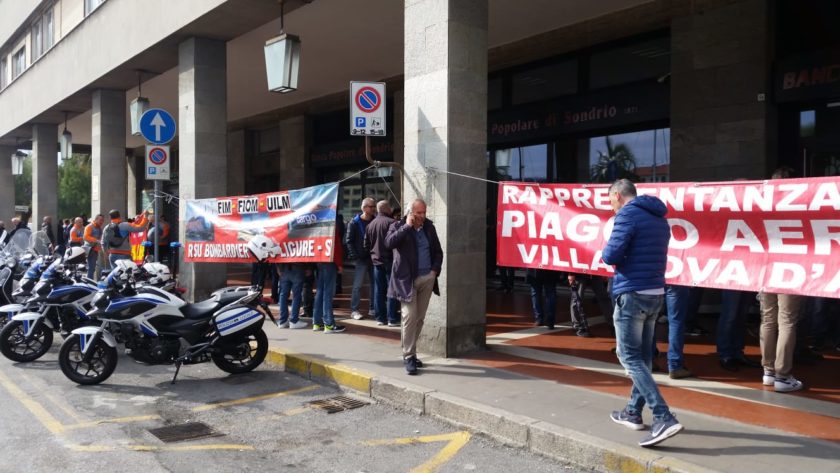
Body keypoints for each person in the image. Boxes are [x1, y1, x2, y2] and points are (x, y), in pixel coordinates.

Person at [602, 179, 682, 447]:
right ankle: (633, 412)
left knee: (629, 356)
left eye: (610, 200)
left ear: (617, 195)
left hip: (632, 291)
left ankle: (662, 415)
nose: (611, 206)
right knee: (644, 356)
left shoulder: (627, 215)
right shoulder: (659, 217)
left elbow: (611, 255)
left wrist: (606, 251)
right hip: (655, 291)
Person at [759, 166, 804, 393]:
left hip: (766, 268)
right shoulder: (801, 207)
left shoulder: (763, 206)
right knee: (786, 321)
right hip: (791, 268)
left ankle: (768, 371)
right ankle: (782, 375)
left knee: (768, 319)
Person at [386, 199, 443, 375]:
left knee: (419, 319)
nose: (422, 216)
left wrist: (434, 271)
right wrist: (407, 227)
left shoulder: (429, 228)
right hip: (406, 280)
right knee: (409, 317)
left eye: (424, 212)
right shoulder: (398, 226)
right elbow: (389, 243)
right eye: (419, 213)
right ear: (410, 212)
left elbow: (438, 252)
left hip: (427, 278)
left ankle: (411, 351)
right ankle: (409, 355)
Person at [364, 200, 400, 327]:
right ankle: (392, 318)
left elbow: (366, 244)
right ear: (387, 209)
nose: (391, 209)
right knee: (392, 290)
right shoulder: (393, 223)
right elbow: (397, 242)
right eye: (390, 207)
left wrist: (373, 255)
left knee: (378, 290)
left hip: (376, 261)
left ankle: (380, 318)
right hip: (390, 260)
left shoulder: (370, 225)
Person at [313, 215, 346, 334]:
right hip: (329, 261)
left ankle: (317, 322)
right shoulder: (331, 225)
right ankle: (329, 324)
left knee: (320, 291)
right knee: (327, 293)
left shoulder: (317, 226)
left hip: (320, 259)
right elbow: (336, 246)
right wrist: (339, 264)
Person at [345, 197, 376, 320]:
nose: (373, 209)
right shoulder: (354, 222)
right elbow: (349, 241)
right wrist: (356, 255)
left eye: (374, 206)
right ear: (364, 208)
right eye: (371, 206)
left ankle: (373, 308)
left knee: (374, 284)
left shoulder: (375, 221)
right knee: (357, 285)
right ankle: (354, 310)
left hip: (373, 257)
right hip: (361, 259)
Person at [664, 285, 692, 379]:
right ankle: (675, 366)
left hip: (655, 280)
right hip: (677, 281)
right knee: (676, 321)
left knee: (652, 319)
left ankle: (649, 360)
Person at [275, 263, 308, 329]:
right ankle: (293, 321)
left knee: (283, 295)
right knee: (296, 295)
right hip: (298, 266)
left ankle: (283, 321)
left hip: (284, 267)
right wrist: (308, 267)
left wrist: (278, 267)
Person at [83, 214, 104, 279]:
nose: (102, 222)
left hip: (95, 249)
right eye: (100, 220)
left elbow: (100, 238)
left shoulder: (99, 228)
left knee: (93, 267)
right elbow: (85, 237)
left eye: (102, 220)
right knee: (91, 267)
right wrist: (96, 240)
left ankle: (91, 281)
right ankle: (89, 282)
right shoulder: (89, 226)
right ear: (96, 219)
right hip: (89, 249)